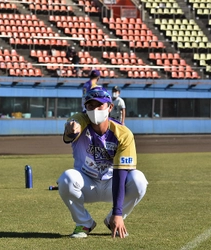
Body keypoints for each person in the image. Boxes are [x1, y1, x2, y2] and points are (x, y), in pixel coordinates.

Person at [58, 86, 148, 238]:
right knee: (67, 178)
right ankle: (84, 223)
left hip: (112, 184)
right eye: (90, 106)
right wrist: (71, 128)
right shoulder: (79, 122)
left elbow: (121, 173)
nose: (95, 110)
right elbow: (72, 129)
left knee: (139, 180)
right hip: (86, 183)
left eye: (99, 105)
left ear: (110, 107)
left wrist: (117, 213)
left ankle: (112, 220)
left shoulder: (123, 134)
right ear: (85, 107)